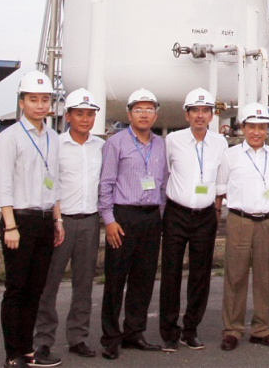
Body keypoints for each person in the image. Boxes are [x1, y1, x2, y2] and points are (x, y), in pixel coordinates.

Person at [0, 71, 64, 368]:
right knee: (17, 289)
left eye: (44, 99)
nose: (39, 104)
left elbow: (55, 180)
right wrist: (10, 225)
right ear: (22, 102)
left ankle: (29, 349)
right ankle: (13, 353)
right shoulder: (9, 137)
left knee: (36, 290)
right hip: (18, 222)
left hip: (46, 220)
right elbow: (3, 185)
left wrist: (58, 220)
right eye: (33, 99)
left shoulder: (53, 136)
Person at [33, 89, 104, 360]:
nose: (85, 119)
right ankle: (43, 339)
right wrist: (56, 218)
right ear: (68, 115)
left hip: (90, 221)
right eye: (79, 113)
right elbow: (49, 184)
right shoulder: (55, 144)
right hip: (61, 222)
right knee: (49, 283)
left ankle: (78, 336)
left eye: (90, 114)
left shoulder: (100, 146)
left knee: (84, 284)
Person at [98, 89, 169, 360]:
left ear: (155, 114)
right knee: (116, 279)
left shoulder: (161, 144)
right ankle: (110, 337)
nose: (144, 114)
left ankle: (134, 332)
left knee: (144, 278)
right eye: (138, 109)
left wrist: (159, 216)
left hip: (151, 217)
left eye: (149, 109)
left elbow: (162, 182)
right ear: (129, 114)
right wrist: (109, 220)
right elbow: (106, 183)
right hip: (123, 216)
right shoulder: (116, 143)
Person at [159, 88, 227, 351]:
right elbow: (164, 174)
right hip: (176, 213)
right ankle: (169, 332)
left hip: (206, 215)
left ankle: (191, 329)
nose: (200, 116)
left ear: (212, 115)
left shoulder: (219, 143)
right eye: (195, 111)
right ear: (187, 114)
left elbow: (221, 181)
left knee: (200, 274)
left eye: (205, 111)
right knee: (171, 272)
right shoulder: (173, 140)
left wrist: (217, 210)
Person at [215, 102, 269, 351]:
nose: (257, 132)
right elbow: (221, 189)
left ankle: (261, 328)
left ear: (268, 129)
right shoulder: (230, 156)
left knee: (264, 277)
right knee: (235, 276)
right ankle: (232, 329)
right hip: (240, 220)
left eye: (262, 127)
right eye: (252, 127)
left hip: (268, 222)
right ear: (242, 128)